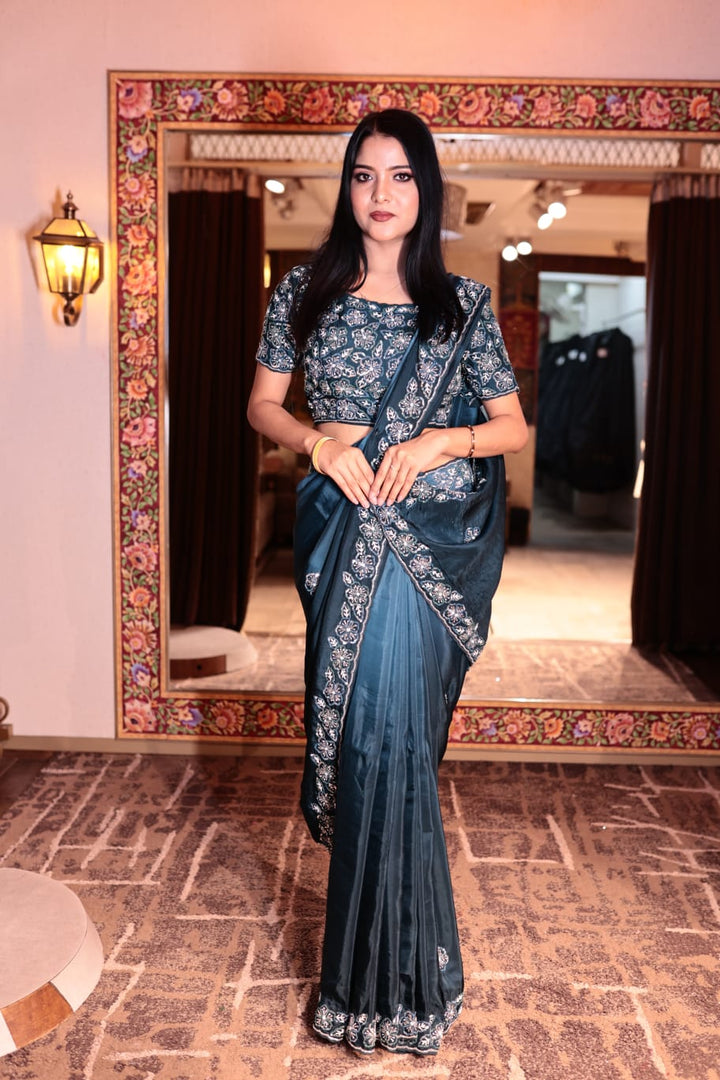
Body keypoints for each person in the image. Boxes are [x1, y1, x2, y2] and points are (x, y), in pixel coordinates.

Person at [247, 108, 527, 1056]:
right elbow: (263, 405)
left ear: (426, 190)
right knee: (365, 745)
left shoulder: (464, 307)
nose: (381, 194)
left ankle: (399, 982)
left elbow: (512, 427)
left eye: (401, 176)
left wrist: (444, 439)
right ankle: (366, 979)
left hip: (426, 552)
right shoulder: (305, 292)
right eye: (365, 175)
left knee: (395, 746)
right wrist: (318, 445)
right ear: (347, 187)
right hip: (341, 535)